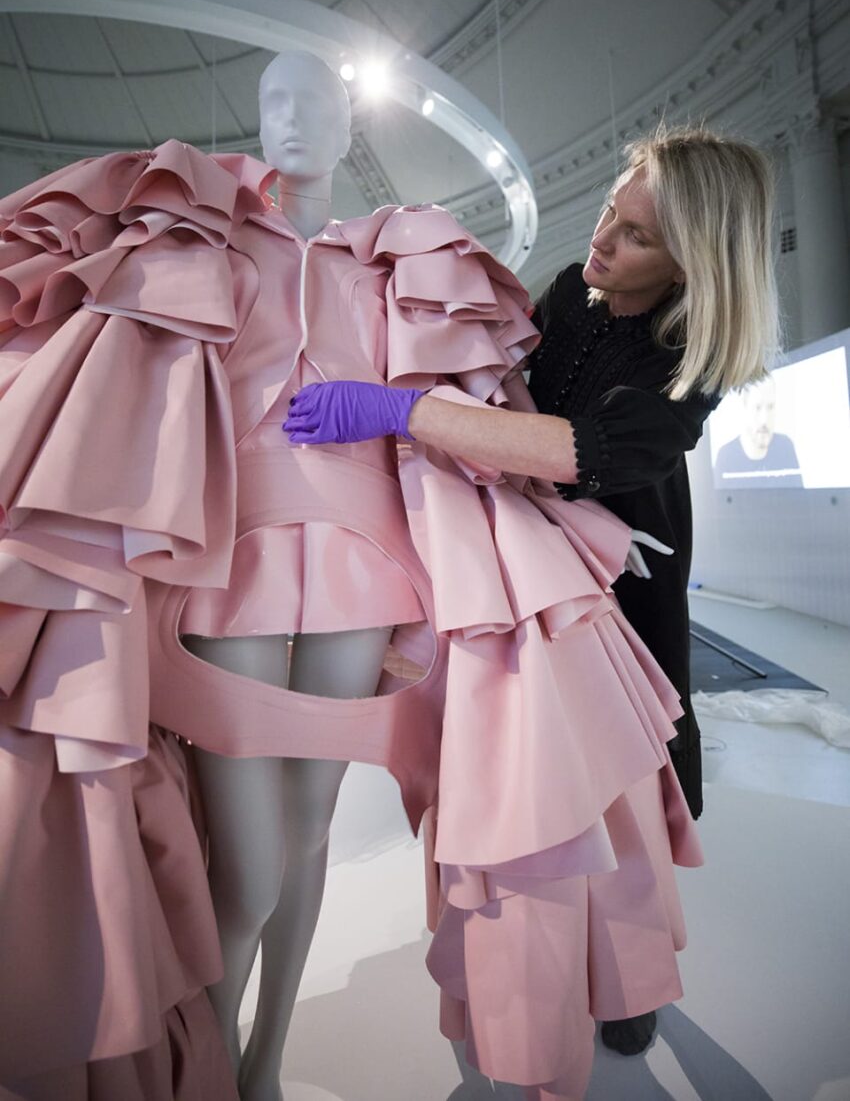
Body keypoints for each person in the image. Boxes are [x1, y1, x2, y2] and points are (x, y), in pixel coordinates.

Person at [0, 64, 703, 1101]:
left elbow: (495, 414)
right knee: (248, 860)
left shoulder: (395, 257)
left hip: (359, 566)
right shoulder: (197, 230)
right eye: (275, 100)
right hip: (228, 558)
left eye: (318, 101)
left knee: (310, 829)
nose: (293, 119)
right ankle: (216, 1074)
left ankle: (266, 1060)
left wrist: (566, 506)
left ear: (348, 124)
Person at [284, 124, 780, 1056]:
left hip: (625, 585)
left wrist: (406, 409)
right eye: (608, 212)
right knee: (538, 773)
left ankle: (628, 973)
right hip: (536, 561)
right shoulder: (574, 292)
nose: (601, 240)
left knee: (627, 781)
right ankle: (540, 958)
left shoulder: (688, 360)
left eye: (634, 237)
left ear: (689, 265)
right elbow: (513, 399)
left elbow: (573, 450)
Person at [714, 374, 802, 487]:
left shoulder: (785, 447)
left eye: (770, 407)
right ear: (745, 409)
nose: (764, 420)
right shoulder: (726, 456)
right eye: (757, 408)